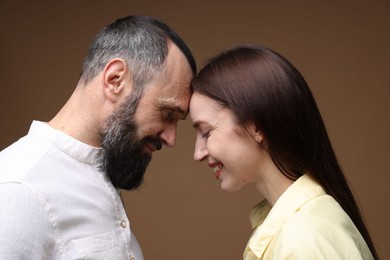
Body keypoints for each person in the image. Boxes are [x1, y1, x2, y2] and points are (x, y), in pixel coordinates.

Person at [0, 15, 196, 259]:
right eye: (167, 113)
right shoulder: (18, 189)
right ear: (115, 80)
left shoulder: (103, 169)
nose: (171, 138)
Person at [190, 44, 377, 259]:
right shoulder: (301, 226)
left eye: (205, 131)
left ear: (256, 127)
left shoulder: (304, 238)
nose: (198, 153)